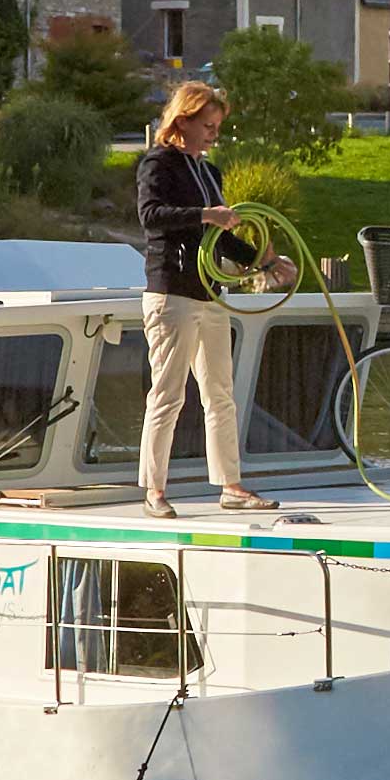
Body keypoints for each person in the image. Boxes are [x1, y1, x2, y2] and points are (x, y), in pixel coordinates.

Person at [128, 81, 273, 515]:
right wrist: (205, 214)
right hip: (171, 293)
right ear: (183, 121)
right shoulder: (158, 164)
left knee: (220, 393)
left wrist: (265, 262)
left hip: (209, 294)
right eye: (206, 125)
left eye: (216, 126)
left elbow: (219, 240)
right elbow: (151, 216)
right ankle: (154, 491)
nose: (212, 133)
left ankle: (231, 485)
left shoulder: (209, 173)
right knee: (168, 394)